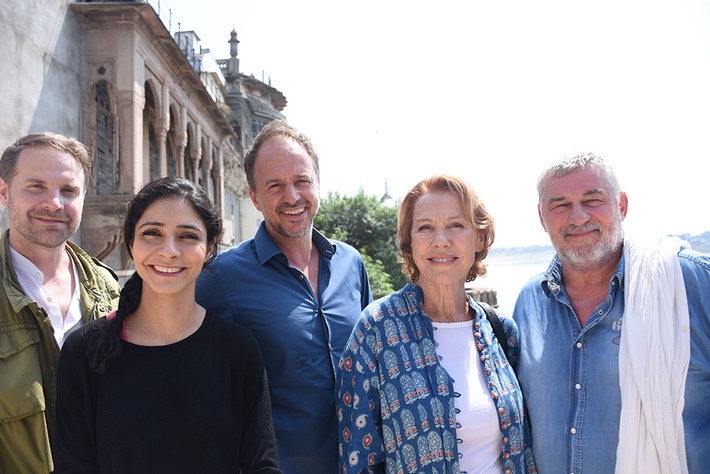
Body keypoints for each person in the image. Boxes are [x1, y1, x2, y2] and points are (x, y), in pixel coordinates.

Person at [53, 176, 281, 473]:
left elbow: (261, 464)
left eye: (187, 236)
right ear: (131, 242)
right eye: (152, 233)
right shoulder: (84, 352)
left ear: (210, 247)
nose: (169, 251)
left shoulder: (237, 350)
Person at [513, 152, 710, 473]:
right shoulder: (528, 303)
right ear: (541, 217)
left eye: (593, 200)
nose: (578, 217)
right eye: (560, 205)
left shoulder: (690, 284)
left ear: (622, 205)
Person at [195, 119, 372, 473]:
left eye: (301, 181)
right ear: (255, 197)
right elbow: (202, 401)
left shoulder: (351, 263)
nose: (292, 196)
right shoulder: (220, 280)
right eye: (275, 185)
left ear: (317, 184)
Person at [337, 174, 537, 473]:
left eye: (456, 225)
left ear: (479, 237)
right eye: (425, 228)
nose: (440, 240)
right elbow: (357, 459)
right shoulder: (376, 330)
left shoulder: (501, 333)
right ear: (410, 242)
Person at [0, 132, 120, 473]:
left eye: (69, 191)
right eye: (36, 186)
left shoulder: (110, 290)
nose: (54, 203)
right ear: (5, 192)